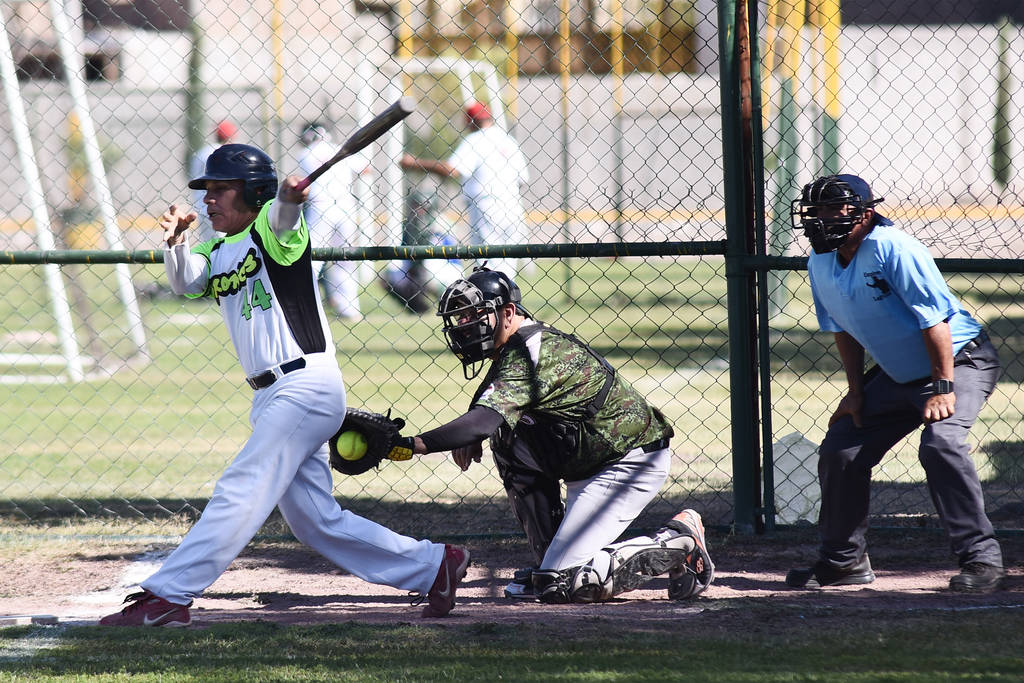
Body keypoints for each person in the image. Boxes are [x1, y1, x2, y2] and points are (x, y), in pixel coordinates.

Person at [100, 143, 469, 627]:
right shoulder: (216, 248)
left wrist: (290, 199)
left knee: (243, 485)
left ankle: (169, 595)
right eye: (206, 189)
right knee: (315, 522)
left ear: (254, 192)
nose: (208, 199)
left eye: (220, 189)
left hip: (304, 385)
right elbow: (187, 282)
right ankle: (434, 565)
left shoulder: (273, 232)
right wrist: (176, 242)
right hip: (272, 395)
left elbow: (284, 219)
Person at [392, 265, 714, 603]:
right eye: (462, 317)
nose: (465, 325)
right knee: (506, 439)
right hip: (590, 461)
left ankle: (680, 541)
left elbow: (483, 420)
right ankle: (550, 562)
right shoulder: (516, 346)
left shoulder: (530, 351)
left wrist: (411, 445)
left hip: (628, 462)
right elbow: (490, 403)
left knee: (564, 583)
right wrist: (475, 434)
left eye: (475, 314)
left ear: (508, 313)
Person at [786, 174, 1004, 593]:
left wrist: (943, 386)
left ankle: (982, 559)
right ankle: (843, 562)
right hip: (898, 374)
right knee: (842, 449)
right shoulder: (820, 261)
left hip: (960, 361)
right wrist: (855, 393)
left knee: (941, 444)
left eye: (835, 209)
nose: (823, 218)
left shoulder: (893, 248)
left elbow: (935, 321)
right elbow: (843, 329)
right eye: (816, 210)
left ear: (865, 214)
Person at [401, 101, 529, 279]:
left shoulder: (476, 139)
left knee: (488, 263)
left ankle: (491, 296)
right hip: (512, 205)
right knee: (507, 264)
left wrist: (415, 163)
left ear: (470, 121)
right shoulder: (508, 140)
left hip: (486, 205)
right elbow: (523, 179)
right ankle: (507, 295)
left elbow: (452, 169)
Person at [297, 121, 367, 320]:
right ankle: (349, 308)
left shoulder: (305, 153)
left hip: (320, 206)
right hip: (346, 207)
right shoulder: (339, 149)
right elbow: (365, 168)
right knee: (345, 259)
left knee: (311, 257)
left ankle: (307, 305)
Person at [381, 188, 463, 314]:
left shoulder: (442, 222)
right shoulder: (409, 223)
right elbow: (404, 249)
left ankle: (450, 306)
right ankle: (418, 308)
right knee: (386, 277)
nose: (418, 209)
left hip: (446, 266)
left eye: (422, 206)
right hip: (416, 265)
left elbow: (446, 250)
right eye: (415, 205)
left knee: (426, 268)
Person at [188, 120, 238, 242]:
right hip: (219, 206)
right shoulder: (223, 152)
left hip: (201, 203)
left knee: (209, 245)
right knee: (223, 243)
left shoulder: (202, 151)